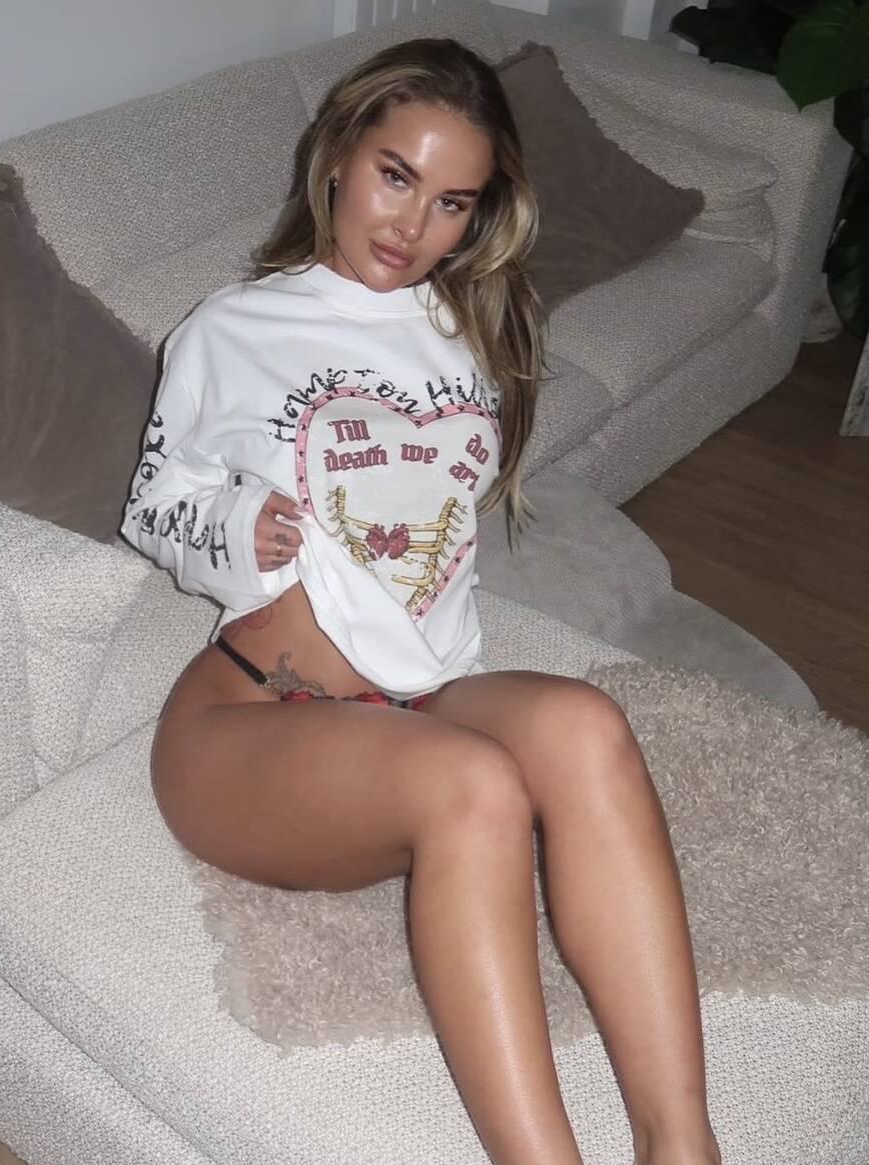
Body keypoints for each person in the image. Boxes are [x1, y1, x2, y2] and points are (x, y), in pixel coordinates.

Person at [121, 36, 722, 1165]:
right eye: (395, 176)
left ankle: (682, 1142)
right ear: (338, 155)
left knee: (586, 725)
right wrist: (235, 526)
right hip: (248, 723)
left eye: (451, 202)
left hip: (413, 701)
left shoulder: (466, 337)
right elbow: (152, 506)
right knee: (476, 787)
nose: (412, 225)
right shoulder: (230, 331)